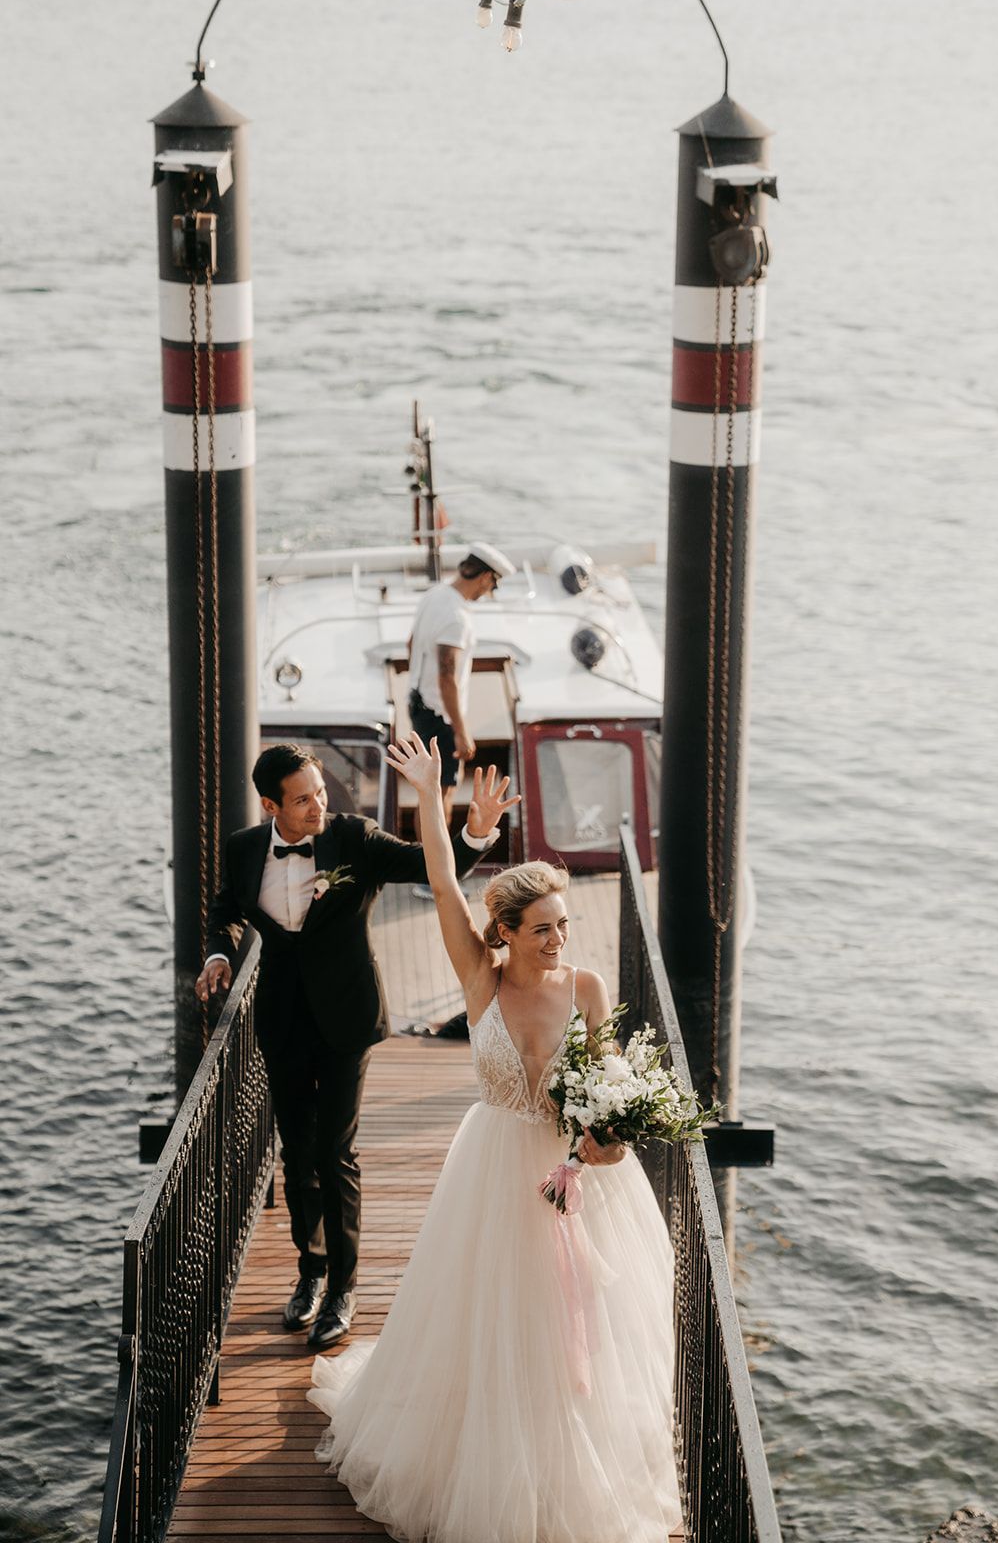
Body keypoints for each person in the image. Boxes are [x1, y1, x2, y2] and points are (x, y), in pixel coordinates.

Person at [309, 733, 682, 1543]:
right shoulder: (479, 979)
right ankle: (486, 1463)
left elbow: (608, 1081)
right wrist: (430, 796)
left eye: (563, 924)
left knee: (580, 1323)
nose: (558, 939)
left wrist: (609, 1142)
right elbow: (444, 882)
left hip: (577, 1174)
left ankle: (566, 1467)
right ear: (505, 932)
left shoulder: (587, 986)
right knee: (497, 1318)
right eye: (541, 928)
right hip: (495, 1168)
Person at [195, 742, 513, 1349]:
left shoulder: (354, 838)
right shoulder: (243, 848)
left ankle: (343, 1287)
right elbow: (226, 910)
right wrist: (218, 954)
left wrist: (475, 831)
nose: (318, 805)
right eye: (302, 799)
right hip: (282, 1019)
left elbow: (430, 867)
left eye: (320, 791)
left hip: (348, 1017)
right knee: (296, 1154)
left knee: (334, 1153)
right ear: (270, 806)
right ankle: (310, 1271)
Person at [407, 542, 516, 826]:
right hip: (439, 716)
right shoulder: (457, 618)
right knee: (441, 793)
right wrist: (461, 731)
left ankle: (426, 852)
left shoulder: (434, 595)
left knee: (428, 792)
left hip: (419, 703)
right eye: (493, 585)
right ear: (485, 577)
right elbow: (447, 677)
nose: (489, 591)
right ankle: (435, 854)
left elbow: (411, 644)